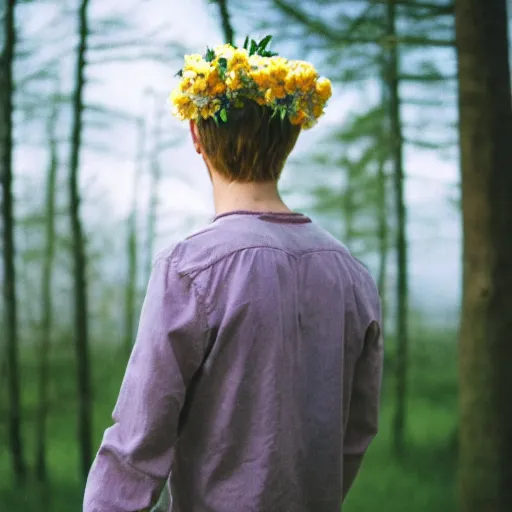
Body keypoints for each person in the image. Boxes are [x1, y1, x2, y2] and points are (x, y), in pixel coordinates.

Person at [83, 37, 383, 512]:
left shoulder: (189, 271)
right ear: (291, 136)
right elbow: (355, 436)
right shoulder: (352, 276)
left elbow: (136, 450)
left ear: (197, 136)